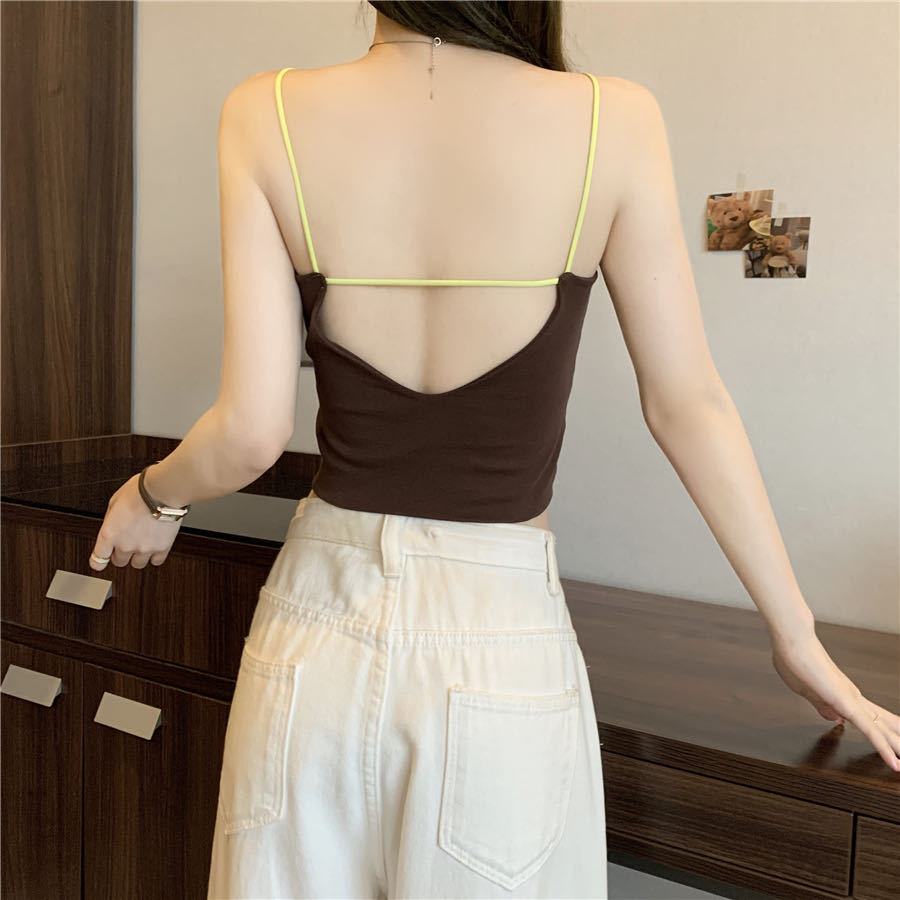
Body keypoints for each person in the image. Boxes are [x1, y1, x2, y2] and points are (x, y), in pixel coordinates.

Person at [88, 2, 900, 898]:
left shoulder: (265, 110)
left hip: (314, 633)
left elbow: (249, 433)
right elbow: (688, 405)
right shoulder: (613, 118)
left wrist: (150, 497)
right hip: (499, 641)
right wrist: (795, 635)